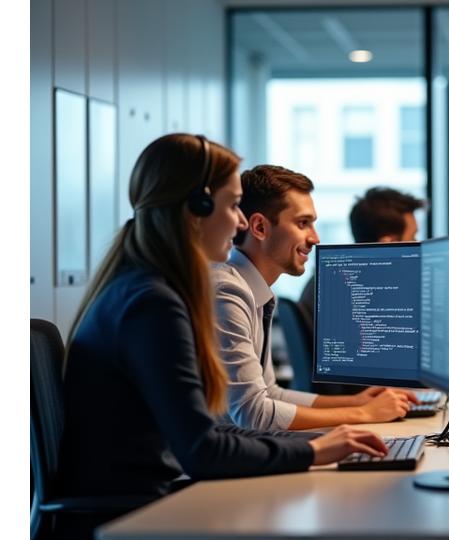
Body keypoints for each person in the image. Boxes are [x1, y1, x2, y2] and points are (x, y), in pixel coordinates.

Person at [55, 135, 388, 537]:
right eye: (233, 205)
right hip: (138, 514)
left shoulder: (145, 287)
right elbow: (203, 449)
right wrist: (316, 449)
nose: (241, 221)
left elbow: (212, 429)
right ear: (197, 208)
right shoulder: (153, 304)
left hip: (151, 500)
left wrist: (325, 439)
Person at [212, 166, 418, 431]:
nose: (315, 238)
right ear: (260, 227)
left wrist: (355, 402)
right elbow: (253, 412)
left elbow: (272, 394)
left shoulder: (253, 291)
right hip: (218, 461)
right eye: (302, 223)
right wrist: (363, 415)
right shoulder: (228, 291)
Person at [297, 186, 425, 325]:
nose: (418, 244)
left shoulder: (327, 281)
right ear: (389, 243)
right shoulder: (370, 300)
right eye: (412, 237)